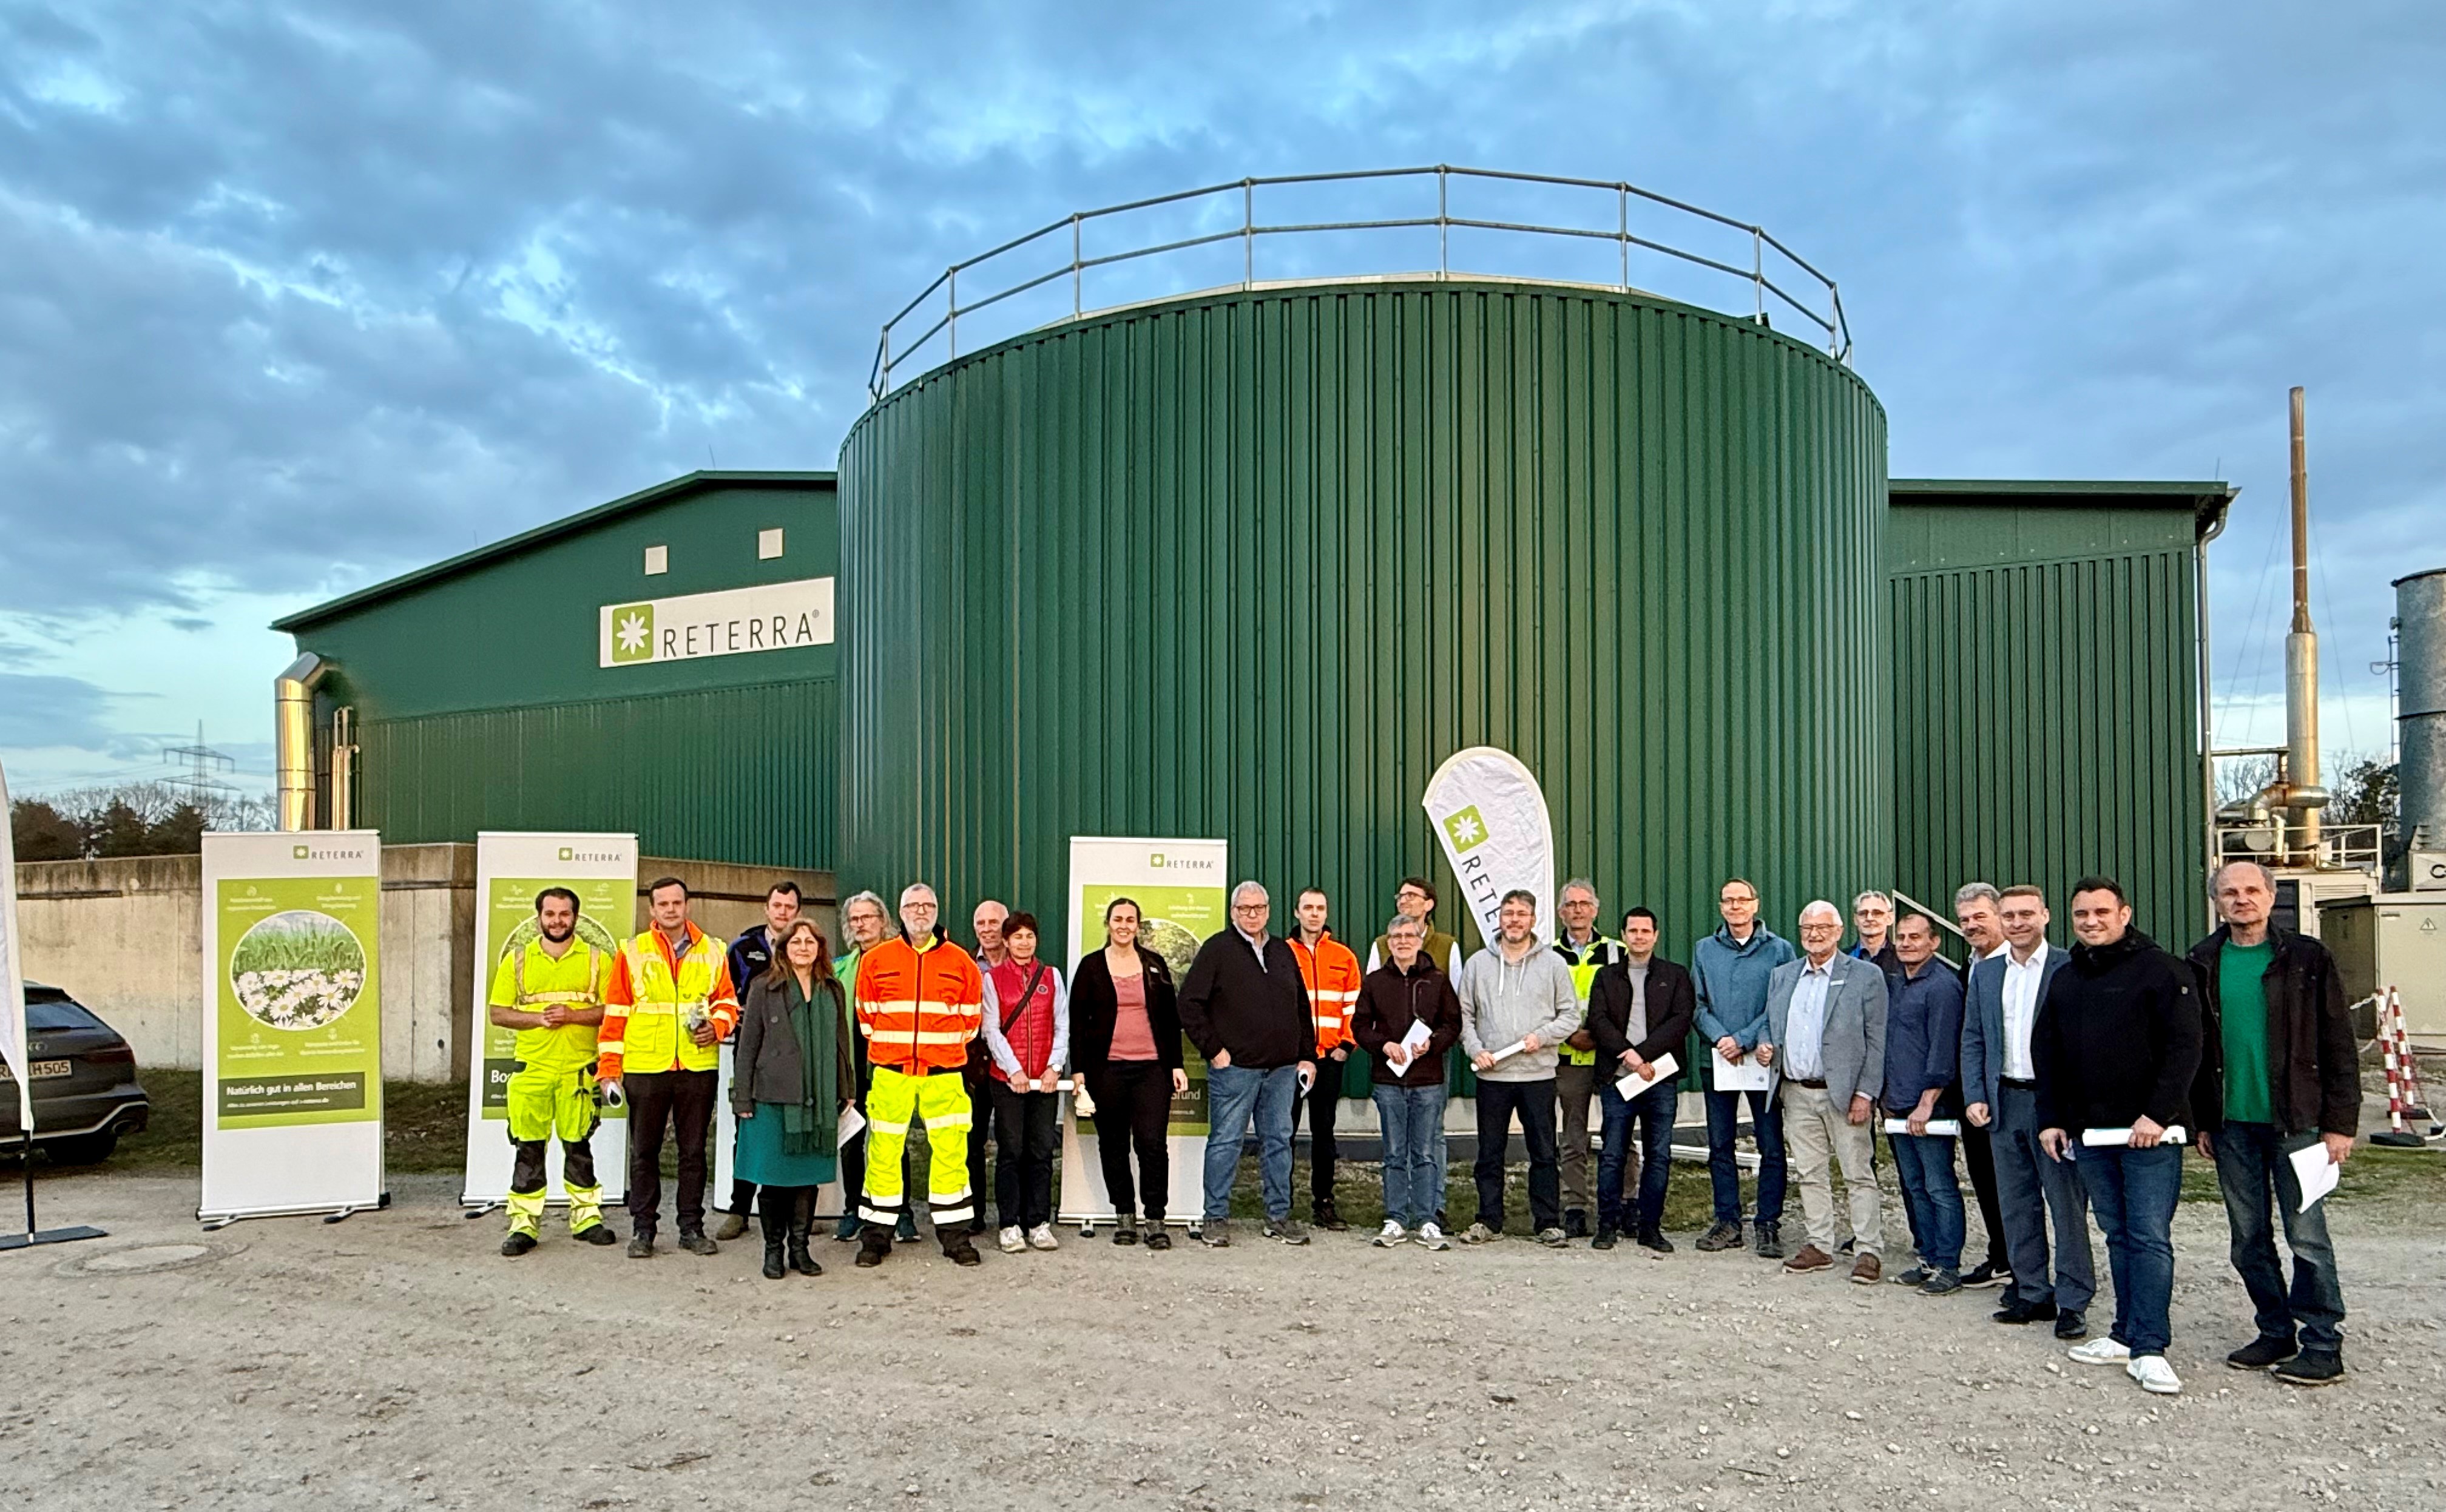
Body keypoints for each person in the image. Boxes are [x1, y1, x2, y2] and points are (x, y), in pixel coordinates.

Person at [2188, 861, 2358, 1386]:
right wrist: (2201, 1121)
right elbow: (2197, 1050)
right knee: (2247, 1238)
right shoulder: (2201, 961)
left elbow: (2338, 1042)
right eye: (2229, 892)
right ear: (2217, 901)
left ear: (2269, 895)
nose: (2240, 899)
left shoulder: (2306, 958)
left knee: (2306, 1237)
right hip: (2231, 1127)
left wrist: (2340, 1123)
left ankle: (2322, 1342)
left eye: (2250, 890)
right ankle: (2274, 1330)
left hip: (2298, 1124)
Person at [2036, 876, 2203, 1397]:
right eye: (2081, 914)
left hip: (2148, 1135)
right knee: (2117, 1234)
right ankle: (2123, 1335)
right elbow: (2049, 1053)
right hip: (2090, 1135)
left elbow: (2185, 1048)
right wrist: (2051, 1119)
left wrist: (2157, 1115)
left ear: (2124, 914)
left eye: (2101, 912)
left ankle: (2150, 1347)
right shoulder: (2066, 978)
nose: (2090, 922)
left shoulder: (2162, 970)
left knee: (2148, 1236)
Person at [1962, 885, 2092, 1337]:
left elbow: (2081, 1042)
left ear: (2045, 916)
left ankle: (2073, 1300)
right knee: (2016, 1204)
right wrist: (1975, 1093)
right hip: (2004, 1100)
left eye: (2026, 914)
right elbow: (1973, 1037)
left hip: (2052, 1104)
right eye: (2010, 916)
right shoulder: (1986, 973)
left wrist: (2072, 1109)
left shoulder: (2068, 967)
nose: (2017, 923)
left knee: (2066, 1205)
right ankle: (2032, 1291)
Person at [600, 876, 740, 1260]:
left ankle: (691, 1229)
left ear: (687, 906)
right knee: (644, 1152)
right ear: (652, 910)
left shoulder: (714, 949)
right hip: (646, 1066)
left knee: (693, 1152)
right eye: (663, 904)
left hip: (696, 1066)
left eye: (677, 902)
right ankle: (643, 1230)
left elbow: (727, 1001)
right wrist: (609, 1067)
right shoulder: (632, 951)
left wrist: (718, 1027)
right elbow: (616, 1014)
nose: (671, 909)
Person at [853, 883, 988, 1268]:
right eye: (913, 905)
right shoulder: (876, 960)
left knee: (951, 1155)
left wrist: (936, 1050)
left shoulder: (961, 962)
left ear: (937, 911)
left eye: (928, 905)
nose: (921, 911)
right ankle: (876, 1238)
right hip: (891, 1073)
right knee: (883, 1154)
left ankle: (956, 1238)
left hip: (944, 1074)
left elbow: (970, 1023)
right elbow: (866, 1018)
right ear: (901, 913)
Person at [1178, 882, 1316, 1247]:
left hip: (1283, 1070)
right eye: (1244, 908)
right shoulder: (1217, 950)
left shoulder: (1283, 951)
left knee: (1279, 1142)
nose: (1252, 915)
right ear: (1233, 912)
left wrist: (1307, 1054)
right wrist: (1214, 1050)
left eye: (1259, 908)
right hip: (1235, 1070)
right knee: (1226, 1142)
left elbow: (1301, 1005)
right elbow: (1189, 1004)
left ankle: (1278, 1217)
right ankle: (1215, 1217)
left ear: (1268, 911)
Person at [1760, 900, 1890, 1283]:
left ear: (1838, 932)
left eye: (1823, 928)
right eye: (1808, 928)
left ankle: (1868, 1249)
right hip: (1796, 1092)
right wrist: (1768, 1045)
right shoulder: (1784, 975)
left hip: (1844, 1093)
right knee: (1810, 1172)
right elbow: (1771, 1022)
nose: (1815, 935)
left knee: (1857, 1173)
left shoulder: (1865, 976)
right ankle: (1820, 1244)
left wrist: (1866, 1093)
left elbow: (1877, 1040)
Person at [488, 887, 618, 1255]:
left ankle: (587, 1219)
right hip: (532, 1070)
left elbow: (612, 1010)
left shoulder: (598, 960)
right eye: (550, 914)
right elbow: (498, 1013)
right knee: (528, 1150)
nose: (557, 921)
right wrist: (537, 1020)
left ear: (575, 917)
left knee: (579, 1147)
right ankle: (524, 1225)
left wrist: (572, 1015)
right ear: (539, 918)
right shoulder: (517, 960)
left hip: (579, 1070)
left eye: (564, 914)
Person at [1458, 889, 1581, 1246]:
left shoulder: (1553, 964)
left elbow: (1570, 1015)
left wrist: (1542, 1037)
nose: (1514, 920)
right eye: (1508, 913)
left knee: (1543, 1152)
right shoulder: (1478, 964)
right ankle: (1489, 1221)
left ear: (1533, 919)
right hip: (1493, 1075)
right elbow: (1464, 1015)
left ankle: (1547, 1222)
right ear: (1499, 919)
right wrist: (1476, 1050)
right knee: (1489, 1153)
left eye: (1521, 913)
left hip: (1537, 1075)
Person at [732, 918, 853, 1280]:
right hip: (772, 1097)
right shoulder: (763, 987)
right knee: (773, 1178)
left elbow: (841, 1042)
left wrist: (847, 1089)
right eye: (796, 942)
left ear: (820, 948)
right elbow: (748, 1045)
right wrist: (743, 1098)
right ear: (783, 948)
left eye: (810, 942)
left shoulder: (832, 988)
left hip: (818, 1097)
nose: (803, 947)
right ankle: (773, 1251)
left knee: (807, 1178)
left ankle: (800, 1249)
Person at [1069, 897, 1188, 1249]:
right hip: (1106, 1070)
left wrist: (1177, 1064)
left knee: (1152, 1145)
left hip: (1152, 1069)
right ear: (1108, 924)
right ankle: (1124, 1216)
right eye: (1118, 919)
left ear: (1138, 926)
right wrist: (1079, 1071)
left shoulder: (1154, 964)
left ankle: (1155, 1220)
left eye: (1130, 920)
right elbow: (1078, 1023)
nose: (1124, 925)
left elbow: (1170, 1019)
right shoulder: (1091, 966)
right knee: (1114, 1144)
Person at [1691, 877, 1796, 1257]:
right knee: (1720, 1144)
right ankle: (1728, 1222)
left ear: (1756, 905)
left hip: (1761, 1060)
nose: (1735, 907)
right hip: (1718, 1060)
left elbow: (1781, 1004)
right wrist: (1722, 1038)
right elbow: (1697, 1004)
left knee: (1771, 1145)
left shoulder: (1779, 950)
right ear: (1721, 907)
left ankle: (1768, 1223)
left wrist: (1746, 1039)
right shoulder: (1705, 950)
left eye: (1742, 900)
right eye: (1728, 901)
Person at [1586, 906, 1695, 1253]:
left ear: (1656, 935)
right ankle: (1607, 1225)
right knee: (1612, 1154)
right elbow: (1598, 1020)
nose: (1639, 937)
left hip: (1660, 1079)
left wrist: (1644, 1055)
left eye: (1645, 931)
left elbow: (1681, 1020)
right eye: (1633, 931)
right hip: (1618, 1080)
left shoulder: (1675, 975)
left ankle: (1650, 1227)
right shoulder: (1606, 976)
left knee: (1658, 1155)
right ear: (1623, 936)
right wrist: (1628, 1055)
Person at [1351, 913, 1462, 1250]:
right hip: (1388, 1080)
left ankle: (1427, 1219)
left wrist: (1433, 1044)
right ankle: (1396, 1219)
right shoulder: (1374, 982)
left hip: (1428, 1080)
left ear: (1419, 940)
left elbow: (1452, 1023)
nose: (1403, 942)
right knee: (1395, 1152)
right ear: (1389, 943)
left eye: (1409, 936)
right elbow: (1359, 1026)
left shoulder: (1437, 980)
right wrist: (1383, 1045)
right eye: (1396, 937)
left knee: (1425, 1152)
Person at [1882, 912, 1967, 1294]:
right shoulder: (1897, 983)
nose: (1906, 944)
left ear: (1934, 942)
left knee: (1939, 1185)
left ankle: (1949, 1265)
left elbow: (1943, 1049)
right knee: (1914, 1185)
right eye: (1901, 937)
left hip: (1931, 1107)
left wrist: (1927, 1101)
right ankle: (1927, 1257)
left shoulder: (1943, 987)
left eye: (1915, 937)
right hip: (1899, 1103)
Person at [715, 880, 802, 1242]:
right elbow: (723, 995)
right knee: (748, 1129)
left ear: (798, 912)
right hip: (752, 1051)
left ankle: (796, 1213)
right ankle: (739, 1210)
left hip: (796, 1054)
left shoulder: (807, 946)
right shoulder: (742, 948)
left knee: (793, 1129)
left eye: (789, 907)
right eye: (777, 905)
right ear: (766, 908)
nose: (783, 912)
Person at [833, 889, 917, 1244]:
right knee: (851, 1142)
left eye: (867, 917)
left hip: (890, 1067)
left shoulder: (904, 960)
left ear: (884, 921)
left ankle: (901, 1212)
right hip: (852, 1069)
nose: (860, 924)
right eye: (854, 919)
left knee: (892, 1141)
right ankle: (854, 1210)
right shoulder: (840, 968)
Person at [983, 911, 1069, 1255]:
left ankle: (1038, 1223)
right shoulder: (992, 979)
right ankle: (1009, 1225)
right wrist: (1014, 1070)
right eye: (1017, 936)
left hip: (1045, 1082)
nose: (1024, 942)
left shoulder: (1052, 976)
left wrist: (1054, 1067)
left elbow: (1061, 1025)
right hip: (1008, 1082)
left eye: (1029, 936)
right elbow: (991, 1029)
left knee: (1041, 1151)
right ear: (1006, 941)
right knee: (1011, 1152)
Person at [1285, 888, 1364, 1232]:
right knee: (1283, 1132)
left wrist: (1347, 1045)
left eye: (1320, 908)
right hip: (1291, 1060)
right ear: (1297, 912)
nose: (1314, 914)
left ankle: (1324, 1203)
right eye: (1308, 907)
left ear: (1326, 913)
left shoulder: (1343, 956)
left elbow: (1354, 1006)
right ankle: (1281, 1203)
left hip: (1331, 1058)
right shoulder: (1282, 953)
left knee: (1324, 1133)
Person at [1550, 877, 1625, 1239]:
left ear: (1595, 910)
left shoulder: (1617, 952)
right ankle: (1575, 1208)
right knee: (1573, 1137)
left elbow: (1630, 1004)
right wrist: (1569, 1035)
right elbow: (1541, 1003)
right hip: (1567, 1054)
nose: (1577, 910)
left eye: (1584, 904)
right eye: (1570, 904)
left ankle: (1626, 1204)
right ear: (1560, 912)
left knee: (1621, 1134)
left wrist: (1600, 1035)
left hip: (1611, 1056)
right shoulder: (1547, 954)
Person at [1949, 882, 2015, 1290]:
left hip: (2012, 1092)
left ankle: (2026, 1268)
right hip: (1975, 1094)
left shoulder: (2017, 964)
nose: (1971, 926)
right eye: (1964, 920)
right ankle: (2002, 1256)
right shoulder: (1970, 966)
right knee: (1985, 1179)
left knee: (2017, 1186)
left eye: (1979, 917)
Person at [965, 898, 1012, 1237]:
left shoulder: (1023, 964)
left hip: (1013, 1066)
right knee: (972, 1143)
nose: (987, 929)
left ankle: (1012, 1214)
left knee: (1012, 1144)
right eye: (980, 924)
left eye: (993, 922)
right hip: (974, 1067)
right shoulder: (965, 964)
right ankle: (974, 1213)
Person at [1365, 876, 1465, 978]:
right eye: (1400, 897)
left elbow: (1455, 987)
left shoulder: (1447, 946)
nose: (1402, 901)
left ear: (1428, 905)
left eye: (1411, 896)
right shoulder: (1381, 945)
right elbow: (1371, 985)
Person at [1850, 890, 1900, 974]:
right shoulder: (1842, 959)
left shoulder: (1902, 958)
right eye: (1863, 913)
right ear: (1855, 919)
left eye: (1877, 913)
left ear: (1890, 918)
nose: (1869, 918)